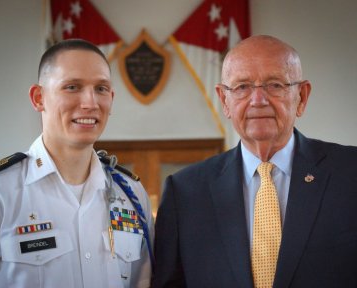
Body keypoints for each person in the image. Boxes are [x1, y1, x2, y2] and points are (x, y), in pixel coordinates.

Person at [152, 35, 357, 288]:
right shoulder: (184, 192)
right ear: (225, 100)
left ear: (302, 97)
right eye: (242, 87)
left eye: (275, 85)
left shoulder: (350, 174)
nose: (258, 100)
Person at [0, 39, 154, 288]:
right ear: (39, 98)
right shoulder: (2, 192)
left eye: (101, 89)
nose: (90, 103)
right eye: (72, 87)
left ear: (111, 98)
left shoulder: (131, 194)